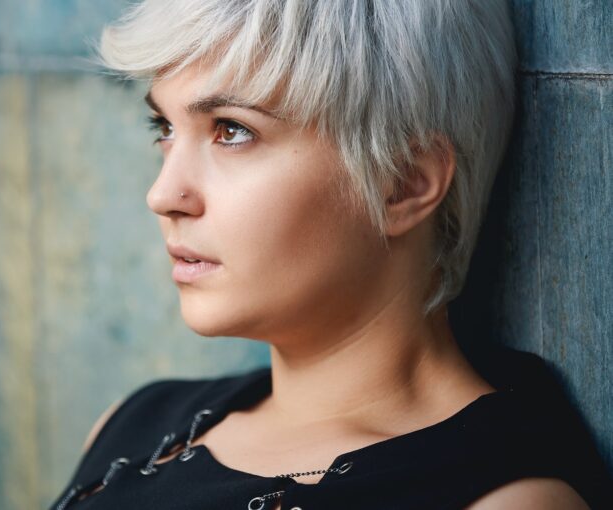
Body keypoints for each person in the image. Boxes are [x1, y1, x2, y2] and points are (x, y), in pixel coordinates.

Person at [51, 1, 612, 508]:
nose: (163, 195)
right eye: (164, 127)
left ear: (404, 183)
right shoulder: (132, 428)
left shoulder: (503, 501)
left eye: (232, 131)